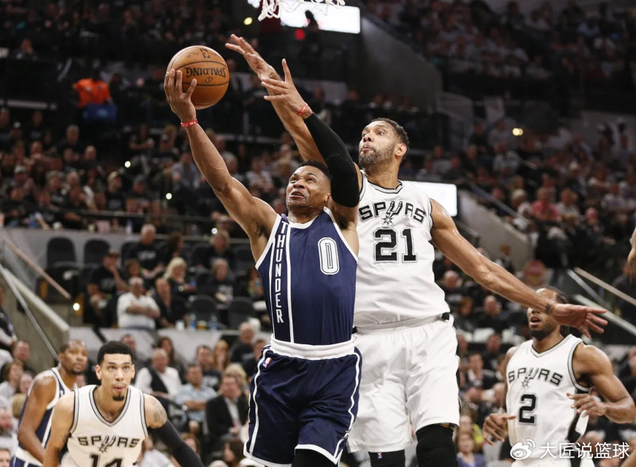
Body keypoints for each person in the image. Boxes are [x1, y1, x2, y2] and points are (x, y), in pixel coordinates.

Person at [227, 37, 608, 467]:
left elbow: (483, 269)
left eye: (378, 133)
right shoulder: (347, 191)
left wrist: (546, 305)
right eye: (364, 133)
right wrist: (280, 90)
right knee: (386, 460)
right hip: (366, 338)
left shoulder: (428, 205)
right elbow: (304, 134)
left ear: (400, 149)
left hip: (429, 332)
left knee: (436, 446)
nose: (366, 137)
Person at [165, 60, 360, 467]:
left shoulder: (342, 222)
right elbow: (223, 183)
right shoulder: (267, 227)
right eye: (293, 179)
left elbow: (342, 166)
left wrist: (301, 108)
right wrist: (190, 122)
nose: (297, 183)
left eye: (309, 179)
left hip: (334, 368)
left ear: (328, 196)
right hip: (281, 366)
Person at [482, 288, 636, 466]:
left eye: (543, 304)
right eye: (531, 304)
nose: (534, 309)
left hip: (563, 459)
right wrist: (498, 420)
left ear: (561, 312)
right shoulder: (512, 355)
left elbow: (630, 410)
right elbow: (506, 410)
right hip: (523, 460)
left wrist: (604, 408)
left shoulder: (582, 355)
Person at [43, 341, 204, 467]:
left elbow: (179, 447)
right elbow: (53, 450)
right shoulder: (71, 405)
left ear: (132, 371)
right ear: (98, 371)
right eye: (111, 368)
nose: (119, 375)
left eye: (125, 368)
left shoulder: (147, 407)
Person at [12, 341, 88, 467]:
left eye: (84, 354)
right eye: (73, 352)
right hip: (28, 462)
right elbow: (25, 433)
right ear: (61, 356)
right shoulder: (47, 382)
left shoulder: (76, 392)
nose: (80, 357)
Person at [205, 375, 248, 452]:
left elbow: (248, 419)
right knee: (235, 440)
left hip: (243, 431)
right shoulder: (213, 403)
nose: (230, 387)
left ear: (237, 386)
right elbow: (213, 426)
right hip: (224, 435)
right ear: (220, 387)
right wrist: (231, 430)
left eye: (232, 384)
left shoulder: (243, 402)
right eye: (227, 384)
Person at [175, 364, 217, 435]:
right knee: (193, 425)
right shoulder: (183, 390)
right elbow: (189, 405)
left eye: (198, 373)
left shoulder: (210, 390)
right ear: (187, 377)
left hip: (209, 419)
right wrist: (208, 405)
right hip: (191, 420)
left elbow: (216, 404)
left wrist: (198, 405)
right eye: (193, 373)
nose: (196, 376)